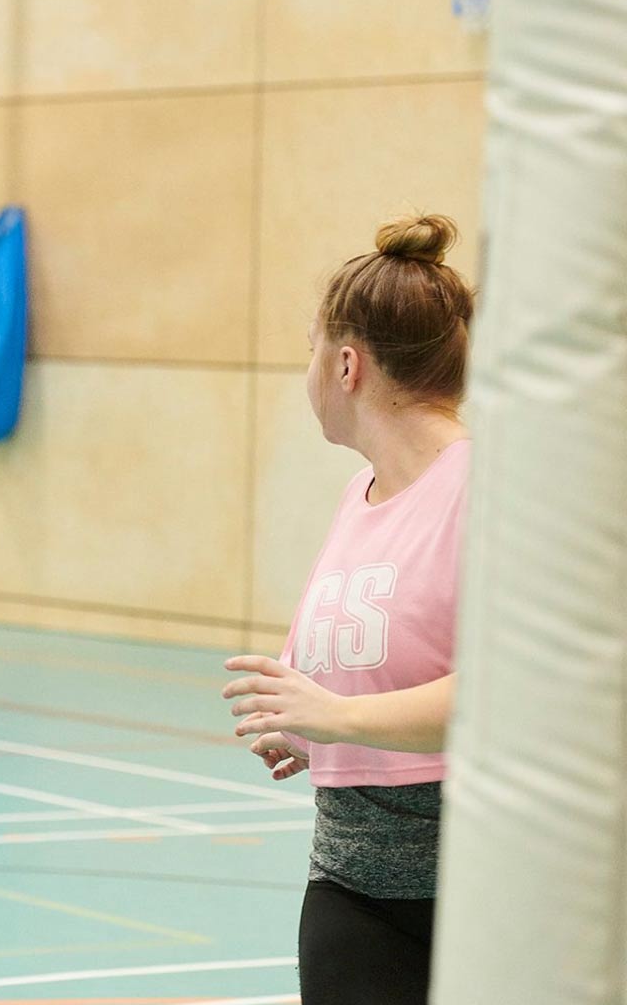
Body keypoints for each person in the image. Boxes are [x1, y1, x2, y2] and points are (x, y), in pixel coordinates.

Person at [220, 214, 474, 1005]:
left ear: (347, 364)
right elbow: (389, 657)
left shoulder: (488, 486)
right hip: (352, 882)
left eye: (309, 349)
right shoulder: (359, 496)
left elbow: (512, 697)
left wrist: (341, 718)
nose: (308, 374)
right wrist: (303, 719)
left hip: (478, 896)